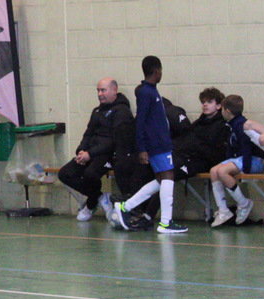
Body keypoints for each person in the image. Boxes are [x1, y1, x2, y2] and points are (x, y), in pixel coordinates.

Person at [110, 56, 186, 234]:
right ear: (157, 71)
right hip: (157, 144)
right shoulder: (146, 92)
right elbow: (141, 121)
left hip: (161, 143)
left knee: (161, 180)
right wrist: (142, 148)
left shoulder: (151, 91)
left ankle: (126, 207)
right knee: (168, 176)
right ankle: (166, 222)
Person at [57, 78, 133, 221]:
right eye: (98, 90)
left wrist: (90, 154)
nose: (99, 94)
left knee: (90, 174)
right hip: (90, 153)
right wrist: (81, 150)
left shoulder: (122, 111)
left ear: (114, 90)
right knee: (65, 174)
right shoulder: (97, 111)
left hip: (107, 155)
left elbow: (114, 141)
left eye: (103, 90)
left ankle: (91, 205)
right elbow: (88, 133)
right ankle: (100, 197)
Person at [208, 95, 260, 227]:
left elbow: (247, 149)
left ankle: (244, 203)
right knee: (214, 171)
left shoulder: (242, 125)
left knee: (222, 172)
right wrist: (227, 162)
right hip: (240, 159)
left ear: (227, 111)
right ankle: (223, 210)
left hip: (255, 160)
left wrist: (246, 170)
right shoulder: (231, 125)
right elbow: (230, 149)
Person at [173, 87, 230, 185]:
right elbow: (185, 140)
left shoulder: (223, 125)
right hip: (189, 158)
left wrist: (194, 147)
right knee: (162, 166)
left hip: (205, 162)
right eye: (203, 102)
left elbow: (216, 152)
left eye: (209, 102)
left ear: (218, 106)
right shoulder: (198, 123)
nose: (205, 104)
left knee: (169, 172)